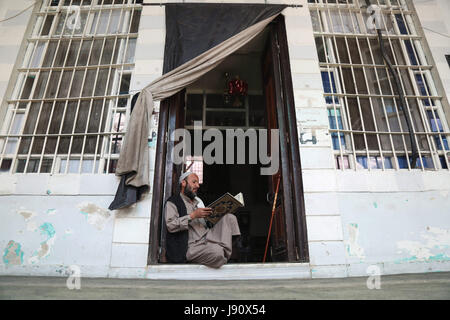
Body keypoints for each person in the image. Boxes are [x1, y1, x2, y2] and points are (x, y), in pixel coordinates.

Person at [164, 171, 241, 268]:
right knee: (217, 252)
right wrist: (192, 216)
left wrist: (213, 216)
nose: (197, 186)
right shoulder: (173, 202)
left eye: (198, 183)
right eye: (194, 182)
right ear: (183, 183)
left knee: (230, 217)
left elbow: (206, 224)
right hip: (192, 247)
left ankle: (222, 252)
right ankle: (220, 253)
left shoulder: (199, 201)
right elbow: (170, 225)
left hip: (209, 238)